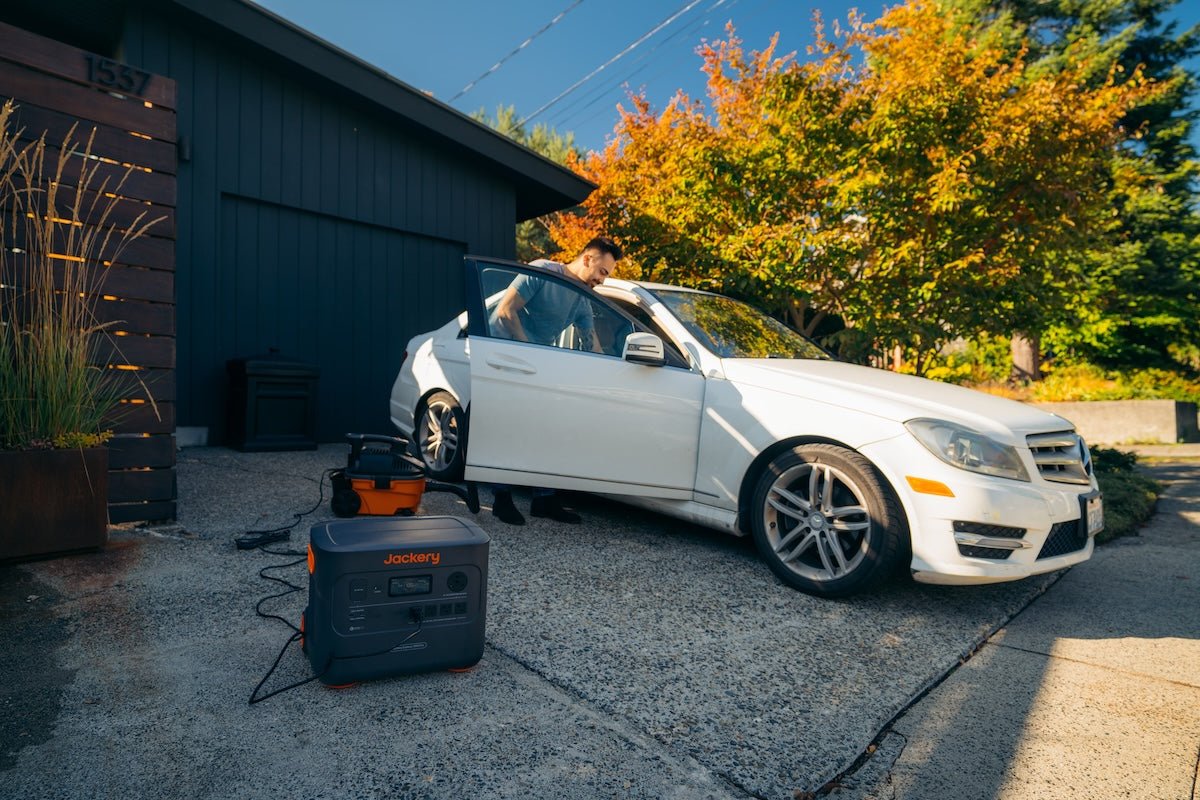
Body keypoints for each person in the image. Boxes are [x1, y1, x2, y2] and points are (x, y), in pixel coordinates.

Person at [488, 236, 622, 526]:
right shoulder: (543, 271)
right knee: (510, 430)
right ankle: (501, 499)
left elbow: (591, 343)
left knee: (546, 428)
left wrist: (610, 369)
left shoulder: (580, 300)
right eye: (602, 272)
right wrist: (531, 352)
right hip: (504, 356)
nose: (602, 280)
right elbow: (505, 310)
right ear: (588, 258)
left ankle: (544, 500)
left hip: (537, 364)